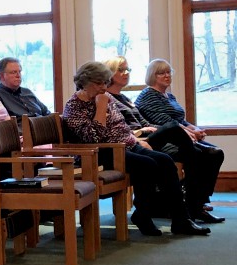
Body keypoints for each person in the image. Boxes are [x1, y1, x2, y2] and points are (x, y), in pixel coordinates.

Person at [61, 61, 210, 237]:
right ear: (85, 82)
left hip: (126, 144)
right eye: (99, 83)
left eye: (105, 83)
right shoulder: (74, 107)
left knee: (166, 161)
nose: (103, 87)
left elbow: (121, 126)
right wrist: (101, 108)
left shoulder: (104, 98)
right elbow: (94, 138)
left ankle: (181, 220)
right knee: (147, 165)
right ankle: (143, 215)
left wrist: (136, 141)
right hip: (101, 153)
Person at [104, 57, 223, 223]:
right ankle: (191, 206)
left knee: (205, 152)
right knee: (191, 147)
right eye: (121, 70)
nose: (126, 73)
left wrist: (192, 130)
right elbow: (119, 128)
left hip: (146, 137)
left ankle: (194, 205)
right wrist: (143, 131)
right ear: (109, 74)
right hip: (134, 142)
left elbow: (147, 122)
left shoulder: (124, 98)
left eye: (128, 69)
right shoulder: (107, 99)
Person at [0, 57, 51, 126]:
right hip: (23, 133)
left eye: (19, 72)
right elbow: (4, 127)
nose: (18, 75)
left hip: (45, 129)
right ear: (2, 76)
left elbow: (47, 113)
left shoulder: (27, 92)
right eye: (14, 72)